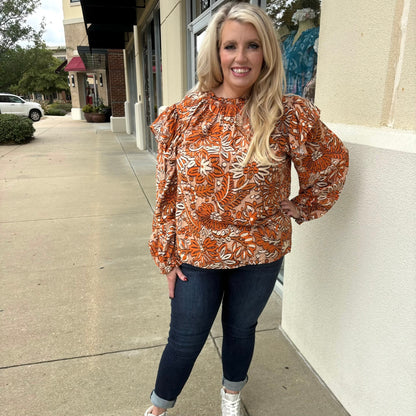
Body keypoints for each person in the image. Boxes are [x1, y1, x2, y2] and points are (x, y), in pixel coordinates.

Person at [145, 2, 349, 416]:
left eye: (252, 46)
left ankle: (231, 397)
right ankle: (158, 408)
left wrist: (301, 205)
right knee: (185, 337)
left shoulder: (287, 114)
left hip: (260, 252)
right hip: (198, 251)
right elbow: (167, 191)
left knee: (241, 329)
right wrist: (166, 256)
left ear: (266, 53)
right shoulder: (185, 115)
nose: (241, 57)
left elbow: (333, 161)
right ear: (216, 54)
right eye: (230, 46)